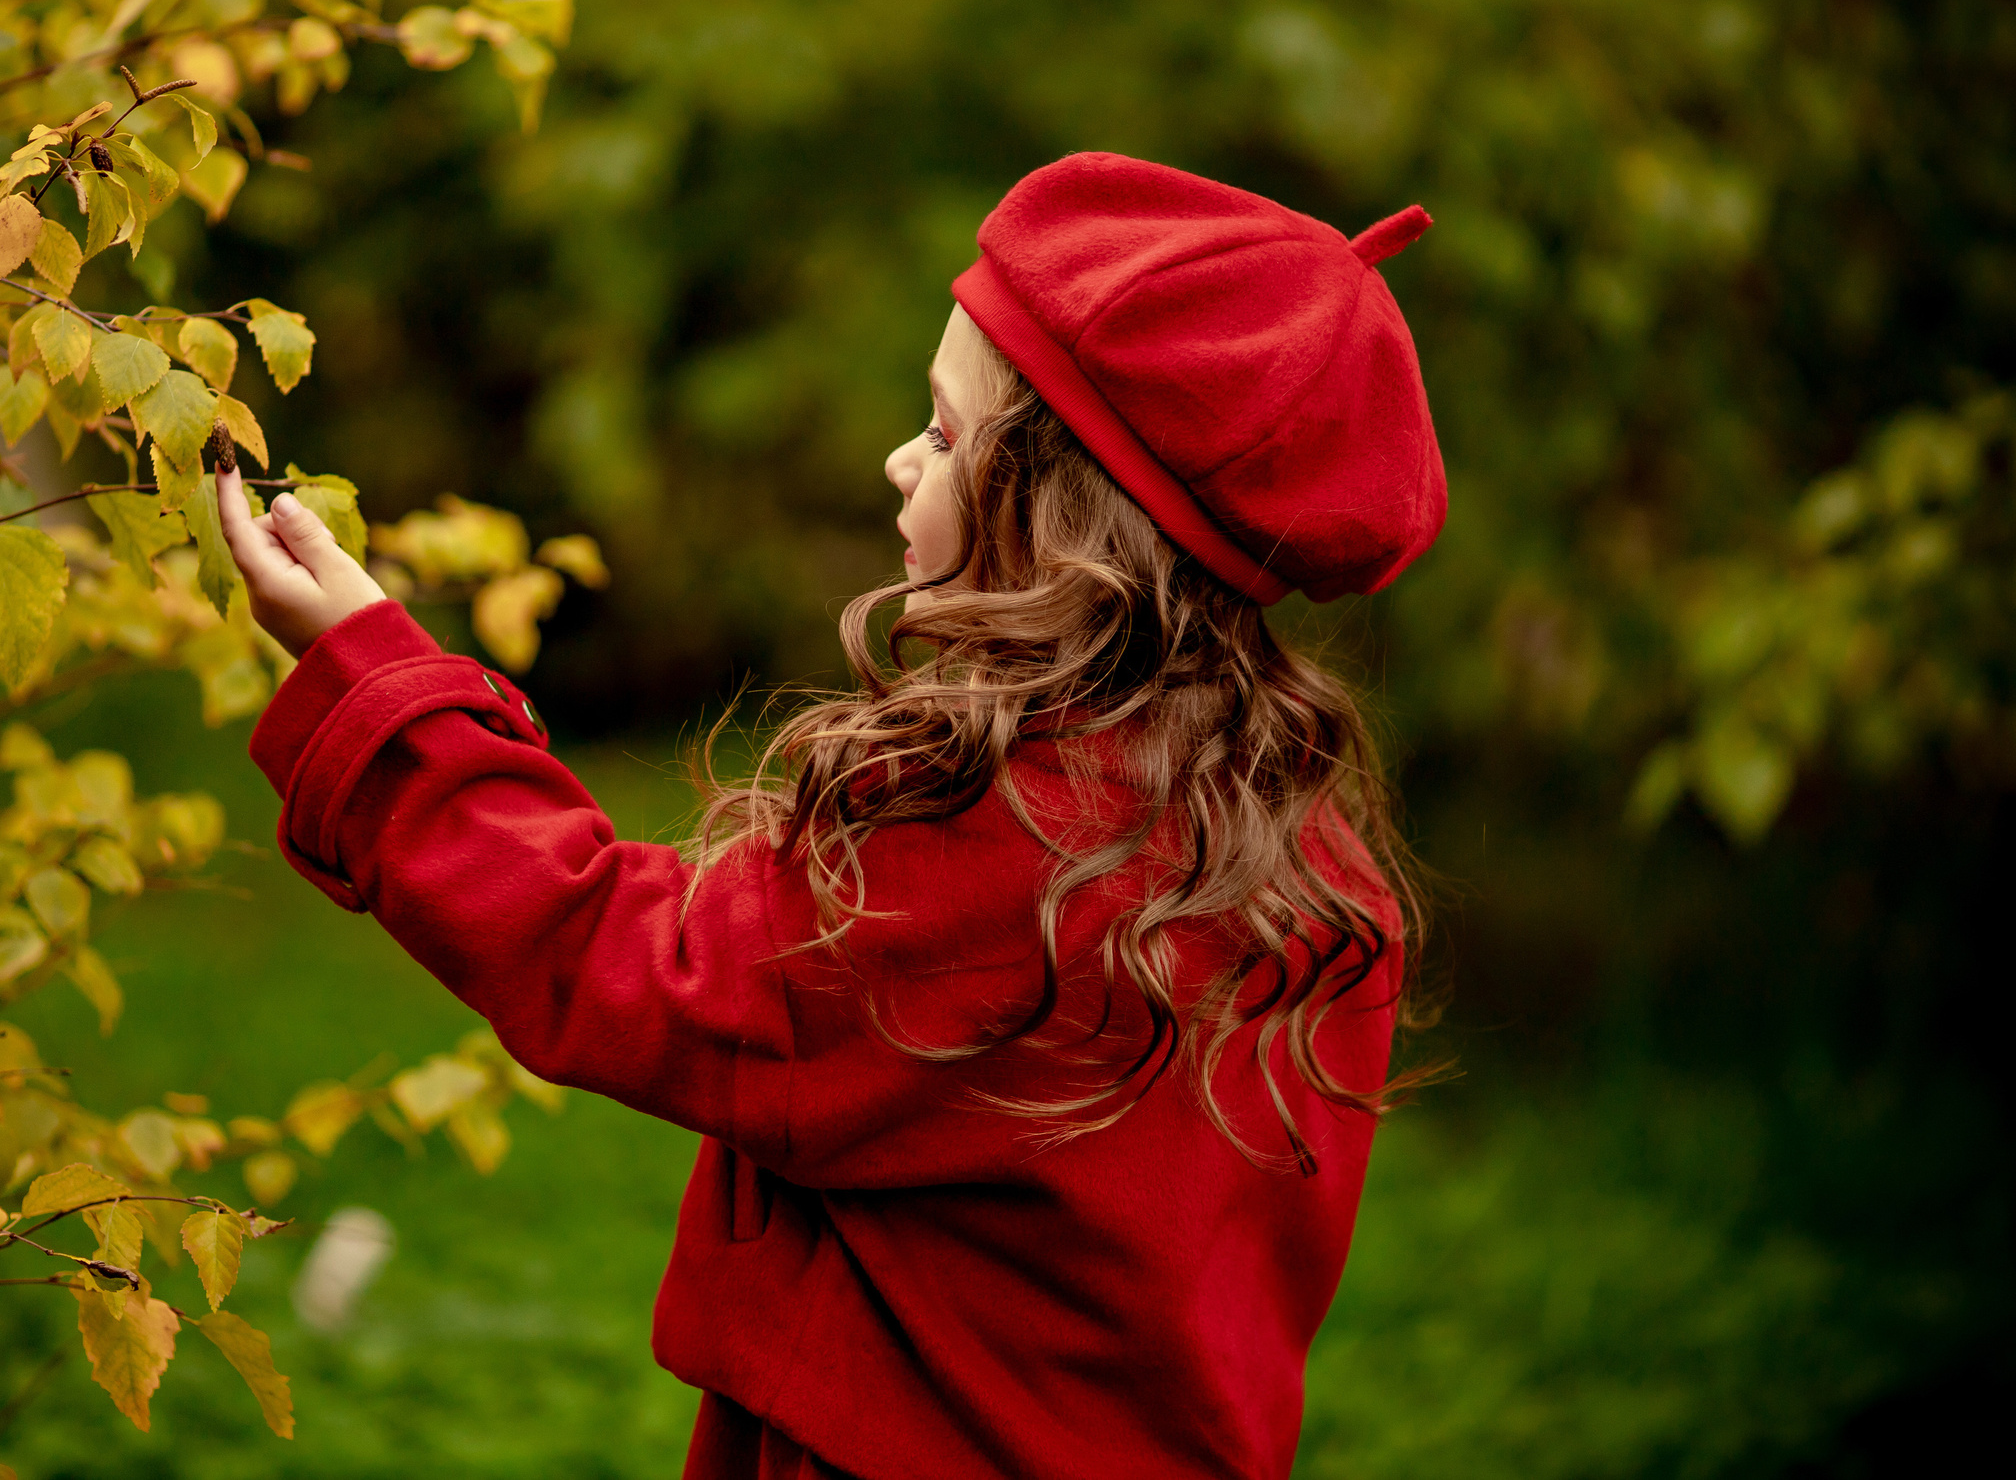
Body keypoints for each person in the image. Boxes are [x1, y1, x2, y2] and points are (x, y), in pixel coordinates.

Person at [220, 152, 1449, 1480]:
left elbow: (618, 956)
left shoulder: (1009, 845)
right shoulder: (1309, 867)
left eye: (941, 432)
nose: (896, 461)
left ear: (1059, 507)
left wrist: (376, 679)